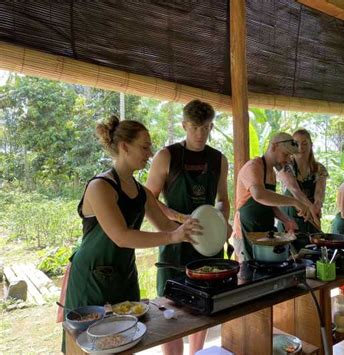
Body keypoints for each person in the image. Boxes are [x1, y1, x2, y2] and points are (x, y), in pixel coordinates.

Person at [62, 116, 201, 349]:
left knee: (126, 339)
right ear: (124, 147)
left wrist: (200, 229)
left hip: (124, 273)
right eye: (144, 147)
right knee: (91, 345)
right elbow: (121, 236)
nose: (150, 153)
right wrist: (173, 237)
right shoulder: (100, 187)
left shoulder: (141, 191)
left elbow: (166, 226)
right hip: (91, 277)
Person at [146, 99, 230, 355]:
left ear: (211, 127)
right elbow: (148, 198)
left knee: (204, 306)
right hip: (175, 243)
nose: (200, 133)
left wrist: (223, 223)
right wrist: (175, 217)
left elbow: (223, 199)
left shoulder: (218, 159)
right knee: (170, 310)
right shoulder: (167, 156)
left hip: (208, 244)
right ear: (184, 125)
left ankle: (197, 353)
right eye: (194, 127)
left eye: (205, 127)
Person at [233, 132, 311, 262]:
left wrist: (286, 220)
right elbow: (260, 195)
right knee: (250, 274)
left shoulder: (271, 173)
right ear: (274, 146)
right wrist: (294, 201)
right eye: (285, 154)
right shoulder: (254, 166)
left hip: (264, 233)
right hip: (245, 233)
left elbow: (269, 204)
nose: (287, 160)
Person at [277, 129, 328, 251]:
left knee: (313, 251)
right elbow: (296, 191)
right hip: (290, 215)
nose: (301, 147)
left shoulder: (319, 168)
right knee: (292, 254)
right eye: (296, 143)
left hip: (311, 213)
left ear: (311, 145)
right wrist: (312, 210)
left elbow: (319, 193)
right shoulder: (285, 167)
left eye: (305, 143)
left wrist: (317, 206)